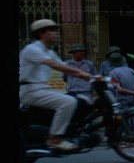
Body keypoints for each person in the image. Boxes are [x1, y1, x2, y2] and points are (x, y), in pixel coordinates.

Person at [19, 19, 94, 151]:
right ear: (41, 33)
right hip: (31, 91)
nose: (56, 33)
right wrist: (82, 74)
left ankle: (73, 130)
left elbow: (64, 66)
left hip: (42, 89)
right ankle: (54, 139)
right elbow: (55, 65)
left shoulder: (49, 52)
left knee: (83, 99)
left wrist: (95, 78)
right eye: (52, 30)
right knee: (68, 102)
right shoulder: (32, 49)